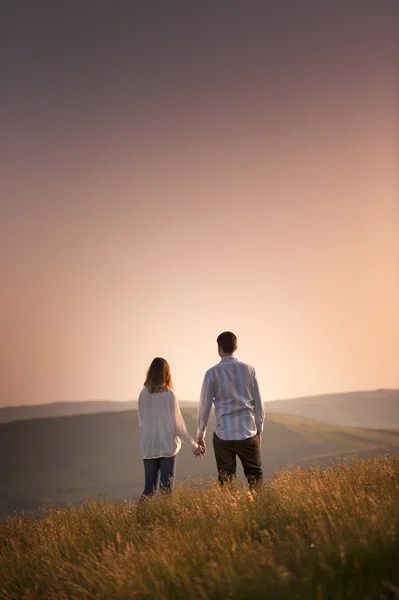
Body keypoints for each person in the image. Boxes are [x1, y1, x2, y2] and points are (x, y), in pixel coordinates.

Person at [196, 331, 264, 488]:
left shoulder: (212, 373)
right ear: (236, 346)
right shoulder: (250, 370)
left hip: (223, 435)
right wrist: (259, 430)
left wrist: (200, 434)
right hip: (248, 433)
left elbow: (204, 406)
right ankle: (260, 509)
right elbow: (258, 403)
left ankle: (229, 510)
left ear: (219, 348)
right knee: (255, 478)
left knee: (226, 481)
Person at [138, 357, 203, 498]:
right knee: (166, 490)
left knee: (149, 489)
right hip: (167, 446)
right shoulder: (169, 395)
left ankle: (141, 519)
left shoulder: (143, 394)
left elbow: (142, 422)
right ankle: (165, 519)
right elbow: (178, 426)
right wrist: (194, 446)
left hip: (149, 447)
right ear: (166, 373)